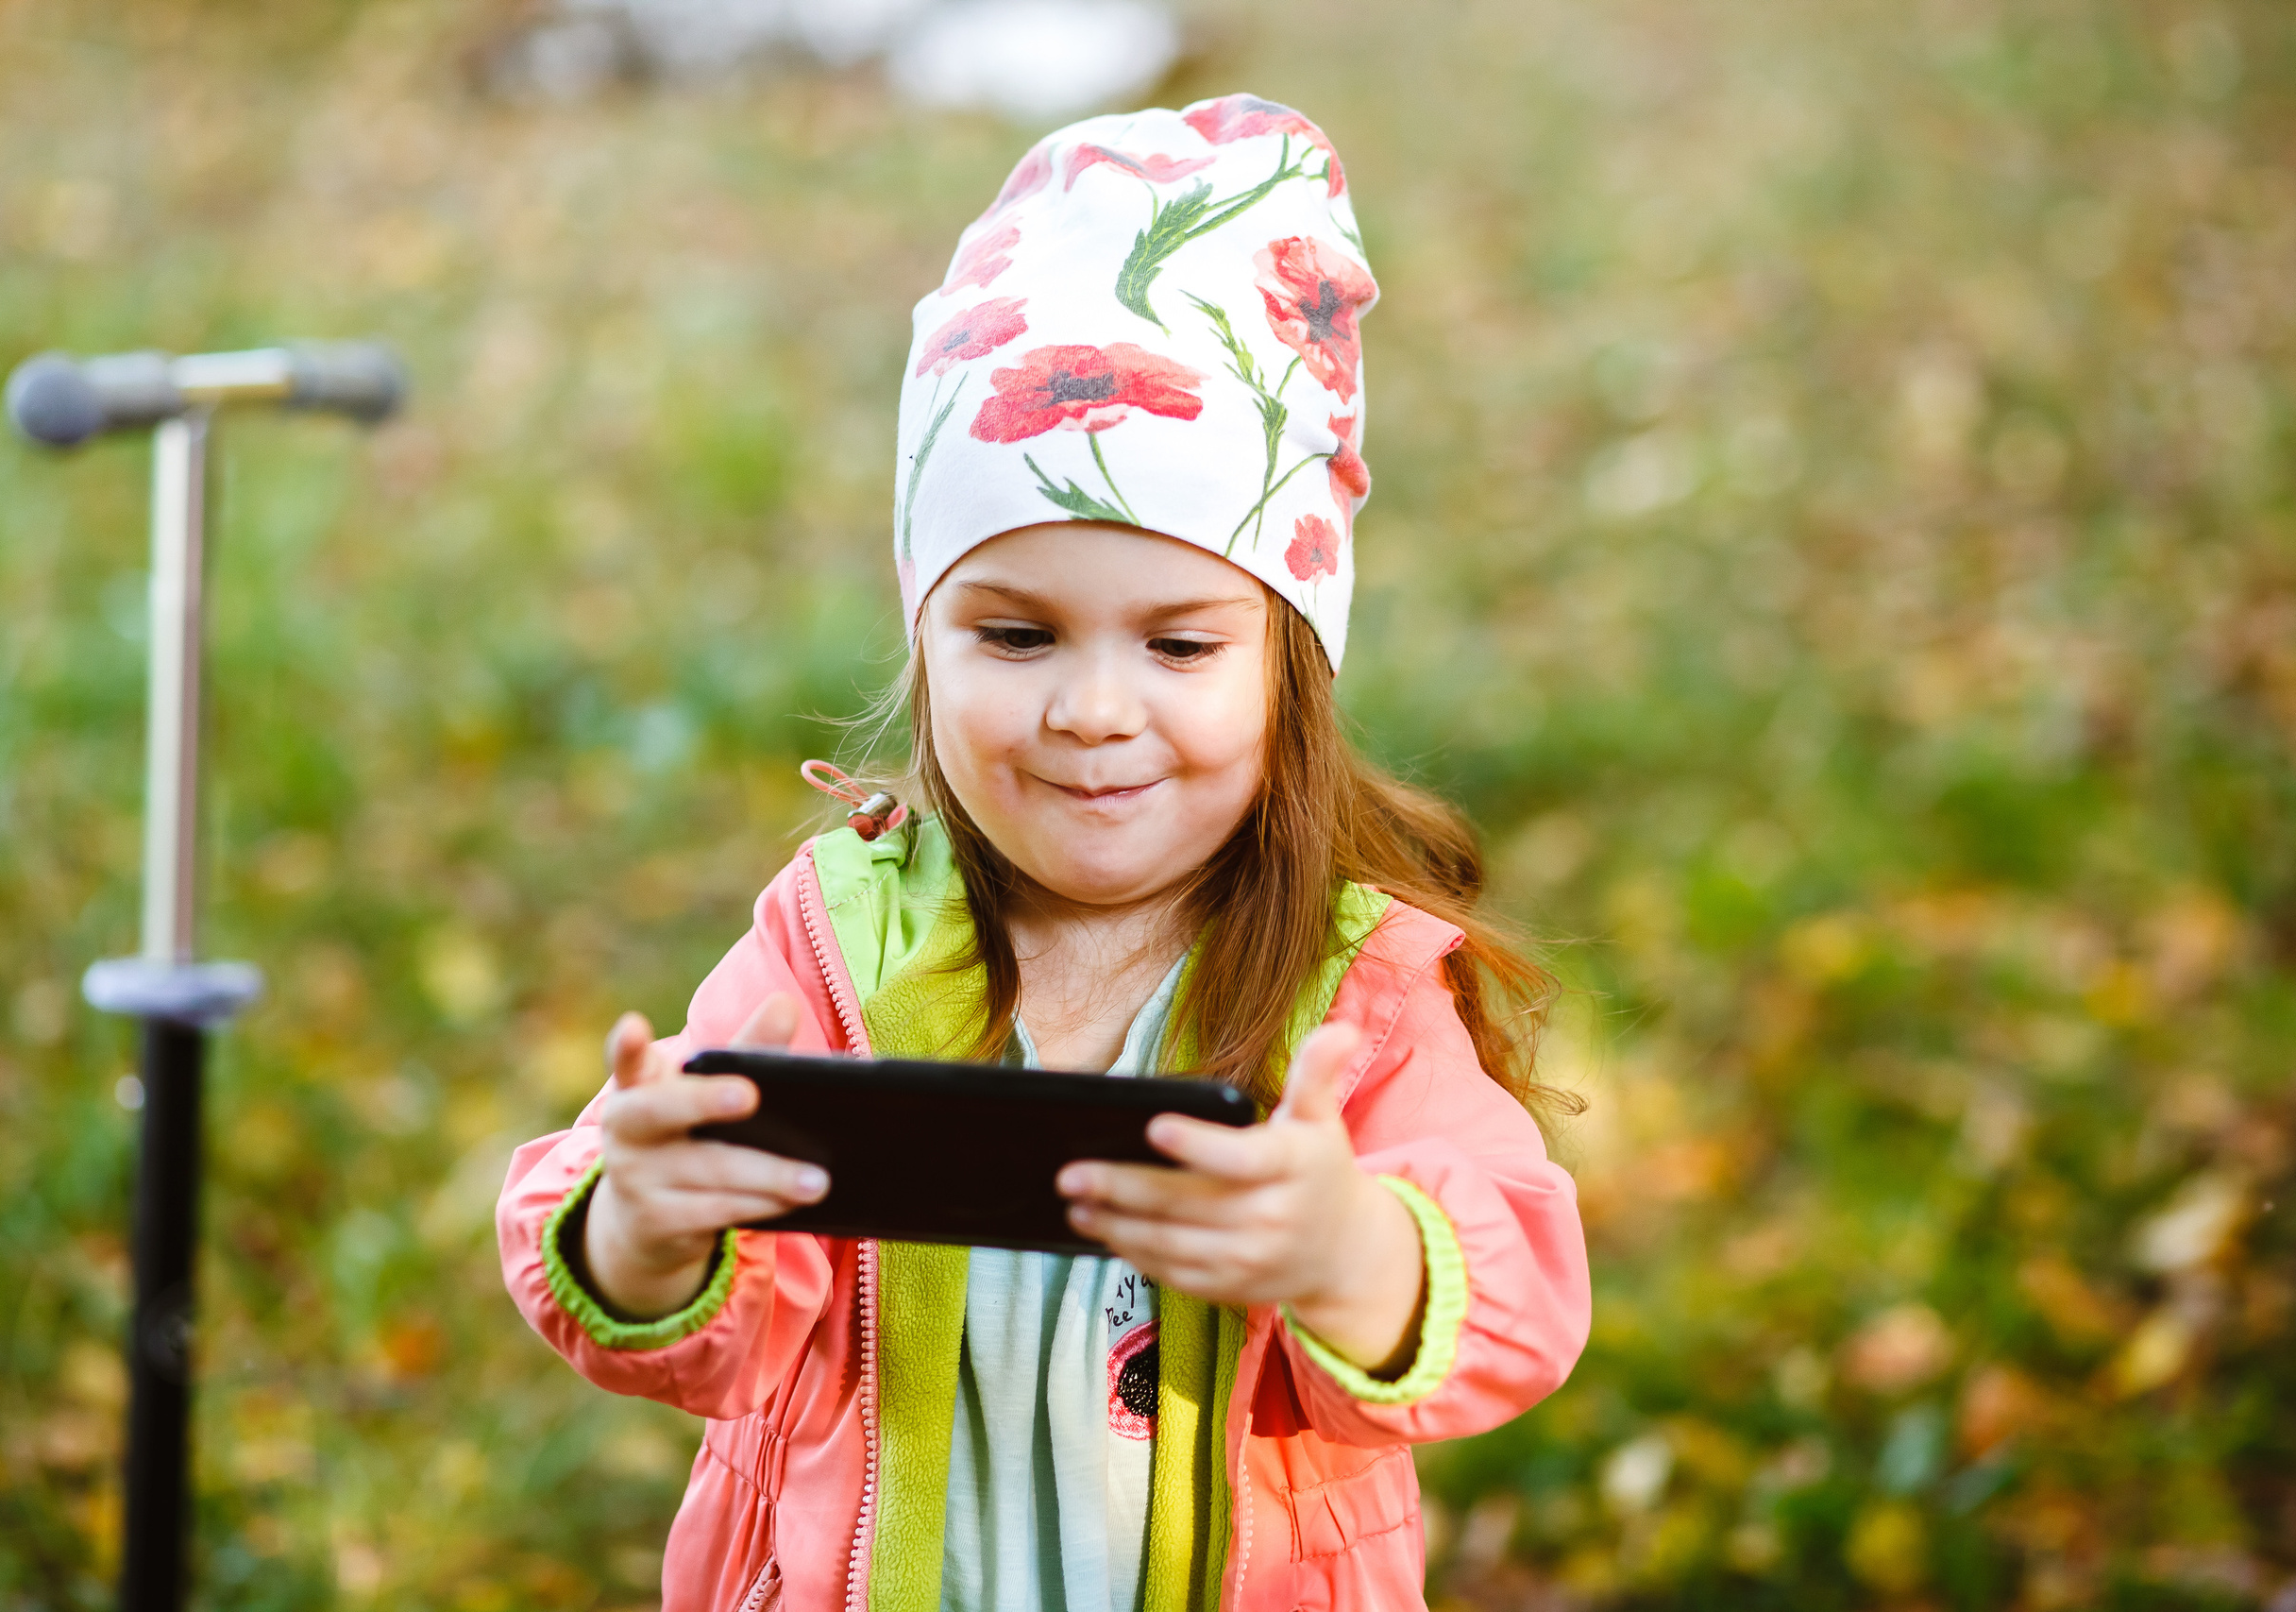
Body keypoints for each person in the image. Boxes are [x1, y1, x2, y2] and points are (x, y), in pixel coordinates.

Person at [498, 93, 1590, 1612]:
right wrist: (644, 1231)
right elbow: (724, 1333)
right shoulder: (834, 949)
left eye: (1178, 642)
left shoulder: (1359, 992)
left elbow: (1522, 1293)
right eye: (1015, 634)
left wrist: (1348, 1250)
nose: (1090, 710)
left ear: (1289, 664)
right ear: (925, 638)